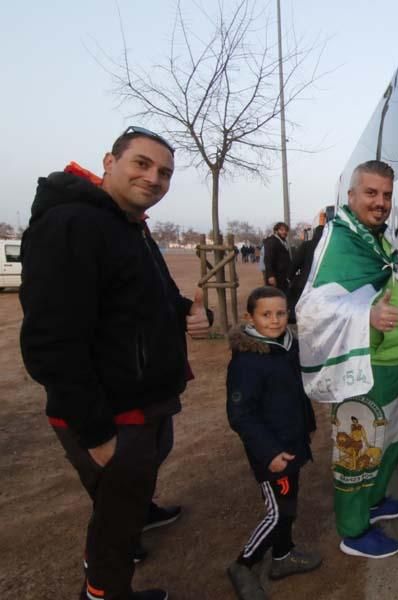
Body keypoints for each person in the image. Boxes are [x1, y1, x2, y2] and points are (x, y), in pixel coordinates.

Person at [20, 126, 212, 600]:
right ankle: (104, 590)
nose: (154, 178)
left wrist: (188, 309)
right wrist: (96, 431)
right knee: (115, 518)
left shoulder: (129, 225)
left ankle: (136, 512)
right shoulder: (72, 225)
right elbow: (51, 341)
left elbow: (148, 298)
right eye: (142, 164)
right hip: (112, 411)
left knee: (132, 488)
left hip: (143, 399)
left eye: (164, 172)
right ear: (109, 162)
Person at [295, 160, 398, 559]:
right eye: (371, 193)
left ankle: (374, 502)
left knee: (396, 437)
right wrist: (367, 316)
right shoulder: (337, 240)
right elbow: (311, 308)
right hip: (363, 369)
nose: (380, 203)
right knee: (357, 452)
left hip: (395, 362)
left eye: (386, 195)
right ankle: (353, 530)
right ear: (351, 195)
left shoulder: (373, 238)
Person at [225, 286, 321, 600]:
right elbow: (241, 415)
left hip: (292, 441)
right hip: (271, 452)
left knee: (289, 505)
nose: (275, 320)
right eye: (266, 314)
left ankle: (282, 555)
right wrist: (269, 452)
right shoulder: (246, 361)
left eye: (281, 313)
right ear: (249, 317)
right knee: (278, 511)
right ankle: (243, 564)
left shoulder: (288, 346)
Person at [263, 222, 292, 293]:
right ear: (276, 231)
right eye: (281, 230)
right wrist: (270, 275)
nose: (284, 232)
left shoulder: (282, 241)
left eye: (286, 230)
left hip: (282, 276)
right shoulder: (272, 242)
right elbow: (268, 259)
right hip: (275, 276)